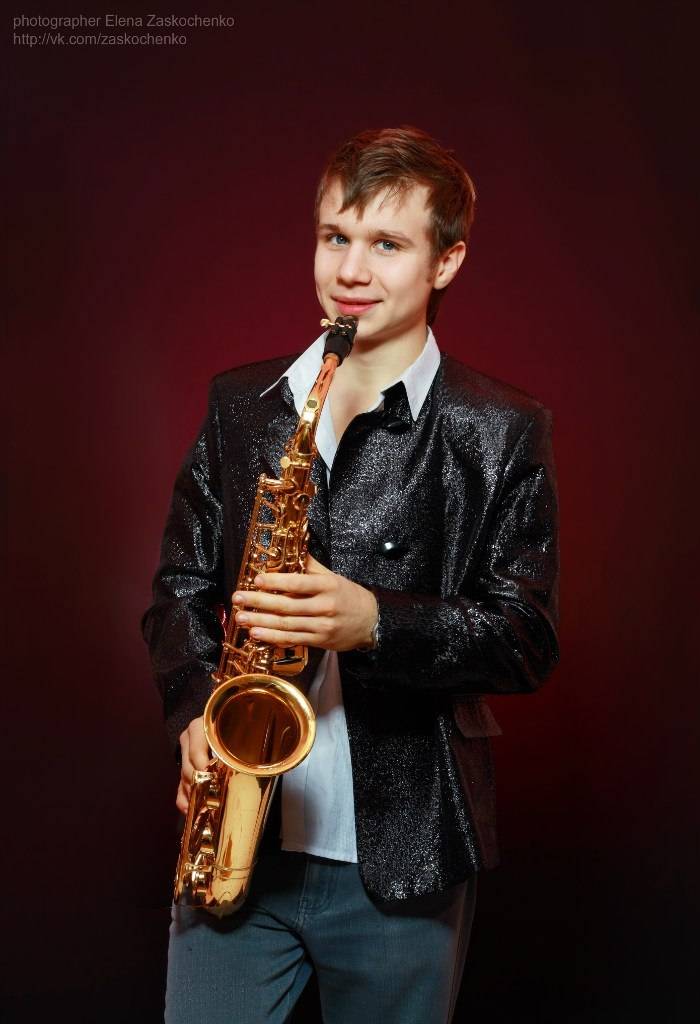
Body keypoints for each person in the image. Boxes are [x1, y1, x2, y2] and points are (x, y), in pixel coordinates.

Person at [142, 125, 559, 1024]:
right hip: (238, 838)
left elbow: (527, 638)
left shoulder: (501, 427)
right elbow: (178, 589)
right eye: (336, 236)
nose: (352, 270)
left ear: (446, 262)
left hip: (404, 856)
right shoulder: (243, 404)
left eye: (388, 244)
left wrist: (373, 621)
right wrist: (194, 710)